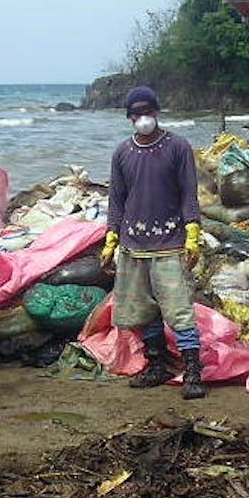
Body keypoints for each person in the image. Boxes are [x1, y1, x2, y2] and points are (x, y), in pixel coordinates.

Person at [100, 86, 206, 399]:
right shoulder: (122, 153)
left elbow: (189, 193)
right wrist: (111, 236)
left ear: (157, 112)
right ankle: (156, 363)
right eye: (136, 113)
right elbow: (116, 199)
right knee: (143, 310)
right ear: (129, 117)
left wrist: (192, 232)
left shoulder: (177, 147)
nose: (143, 118)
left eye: (147, 111)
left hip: (170, 243)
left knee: (179, 310)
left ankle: (192, 371)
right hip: (134, 244)